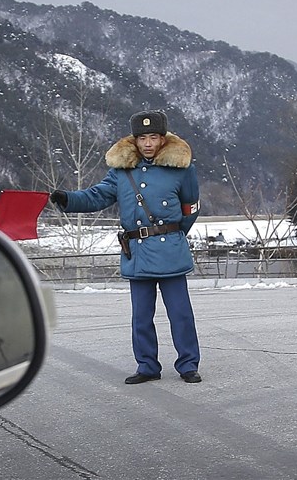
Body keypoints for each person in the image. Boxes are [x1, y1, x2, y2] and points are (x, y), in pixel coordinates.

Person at [50, 110, 202, 384]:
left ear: (163, 138)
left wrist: (172, 235)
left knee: (180, 314)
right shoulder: (121, 172)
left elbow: (190, 208)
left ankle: (188, 365)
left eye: (153, 137)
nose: (147, 143)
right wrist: (68, 199)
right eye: (142, 138)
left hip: (170, 251)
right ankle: (147, 366)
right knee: (141, 317)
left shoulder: (182, 169)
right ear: (135, 140)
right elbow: (97, 196)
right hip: (137, 252)